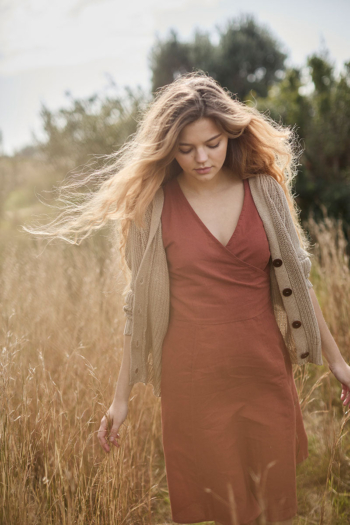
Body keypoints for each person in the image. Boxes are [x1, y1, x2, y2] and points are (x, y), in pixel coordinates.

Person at [26, 71, 350, 525]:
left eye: (212, 143)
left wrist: (339, 364)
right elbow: (136, 307)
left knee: (275, 508)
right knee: (228, 511)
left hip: (263, 370)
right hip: (194, 380)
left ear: (231, 135)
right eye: (186, 148)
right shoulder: (153, 205)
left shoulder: (264, 191)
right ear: (168, 148)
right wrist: (120, 399)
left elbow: (299, 280)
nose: (201, 158)